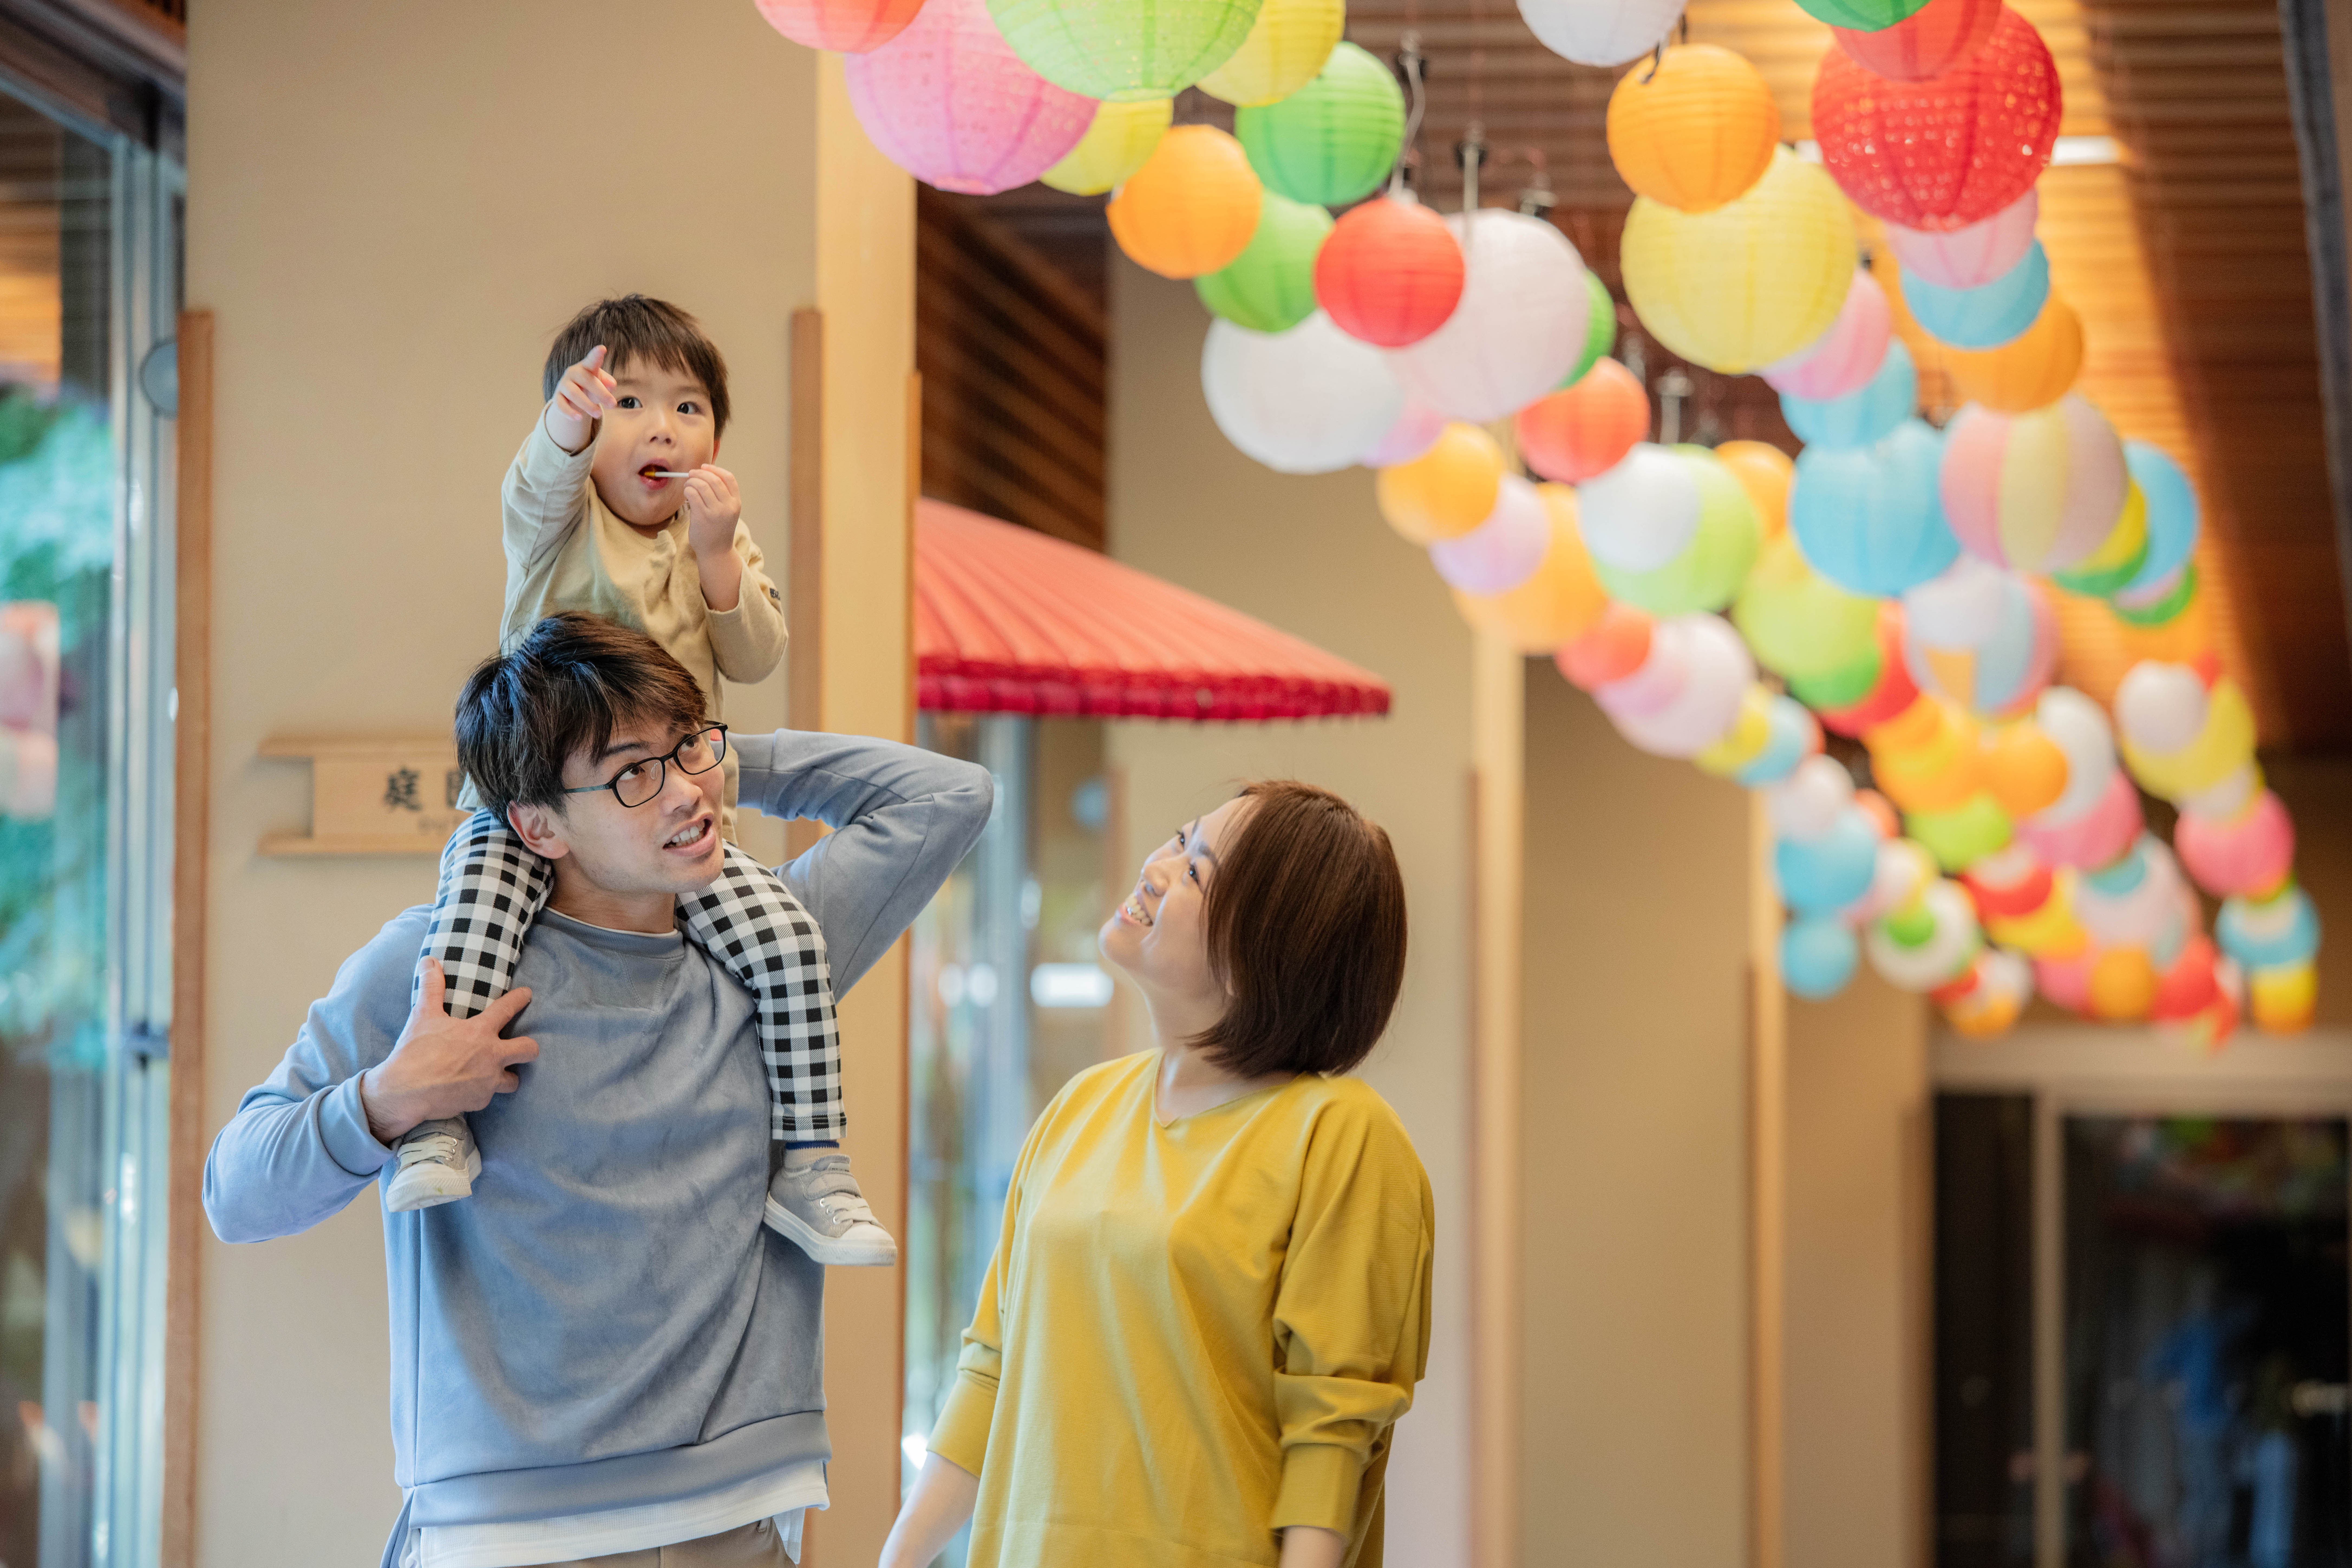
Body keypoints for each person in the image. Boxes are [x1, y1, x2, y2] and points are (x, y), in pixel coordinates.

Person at [203, 614, 992, 1567]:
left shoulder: (780, 947)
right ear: (536, 824)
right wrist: (388, 1098)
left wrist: (710, 756)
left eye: (689, 748)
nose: (686, 793)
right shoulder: (435, 970)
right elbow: (235, 1193)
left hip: (734, 1523)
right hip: (503, 1536)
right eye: (630, 775)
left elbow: (949, 796)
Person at [386, 295, 888, 1273]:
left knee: (790, 944)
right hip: (529, 803)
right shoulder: (560, 520)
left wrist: (717, 555)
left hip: (682, 823)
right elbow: (533, 487)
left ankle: (813, 1164)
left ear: (715, 442)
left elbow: (756, 656)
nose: (663, 427)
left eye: (689, 407)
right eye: (628, 402)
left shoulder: (716, 537)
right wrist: (562, 431)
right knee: (472, 926)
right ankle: (436, 1127)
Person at [878, 781, 1435, 1568]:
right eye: (1180, 839)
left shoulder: (1341, 1136)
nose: (1159, 866)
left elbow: (1332, 1433)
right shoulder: (1081, 1107)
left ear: (1265, 950)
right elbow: (993, 1369)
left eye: (1198, 871)